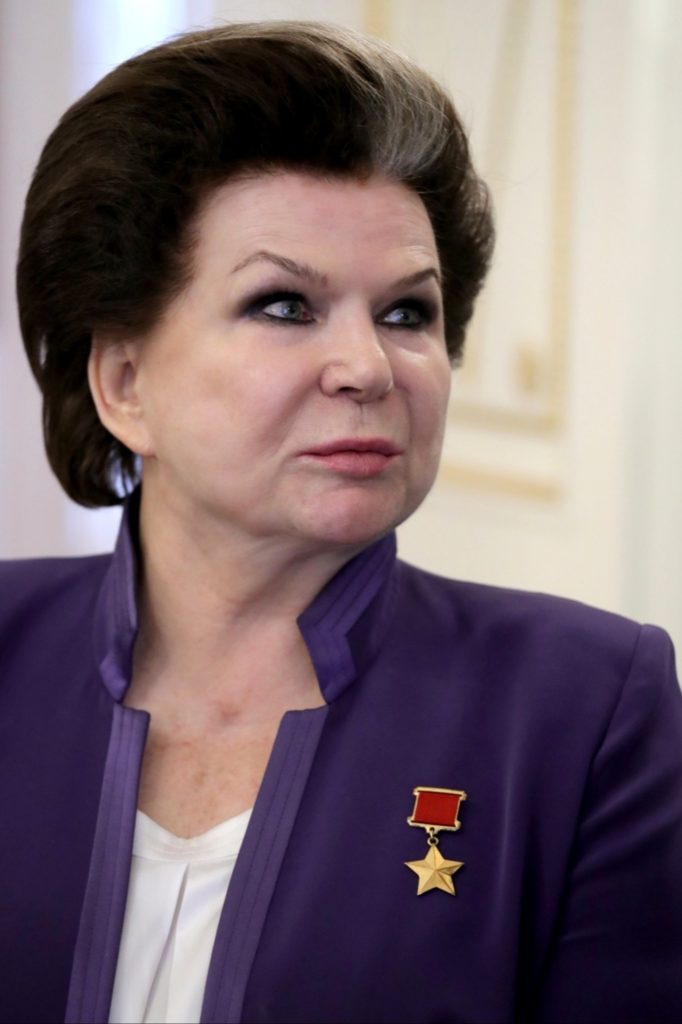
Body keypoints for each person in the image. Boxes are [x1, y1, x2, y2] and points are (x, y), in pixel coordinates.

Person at [1, 19, 681, 1024]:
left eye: (408, 313)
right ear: (124, 382)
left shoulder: (583, 708)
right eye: (284, 306)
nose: (367, 367)